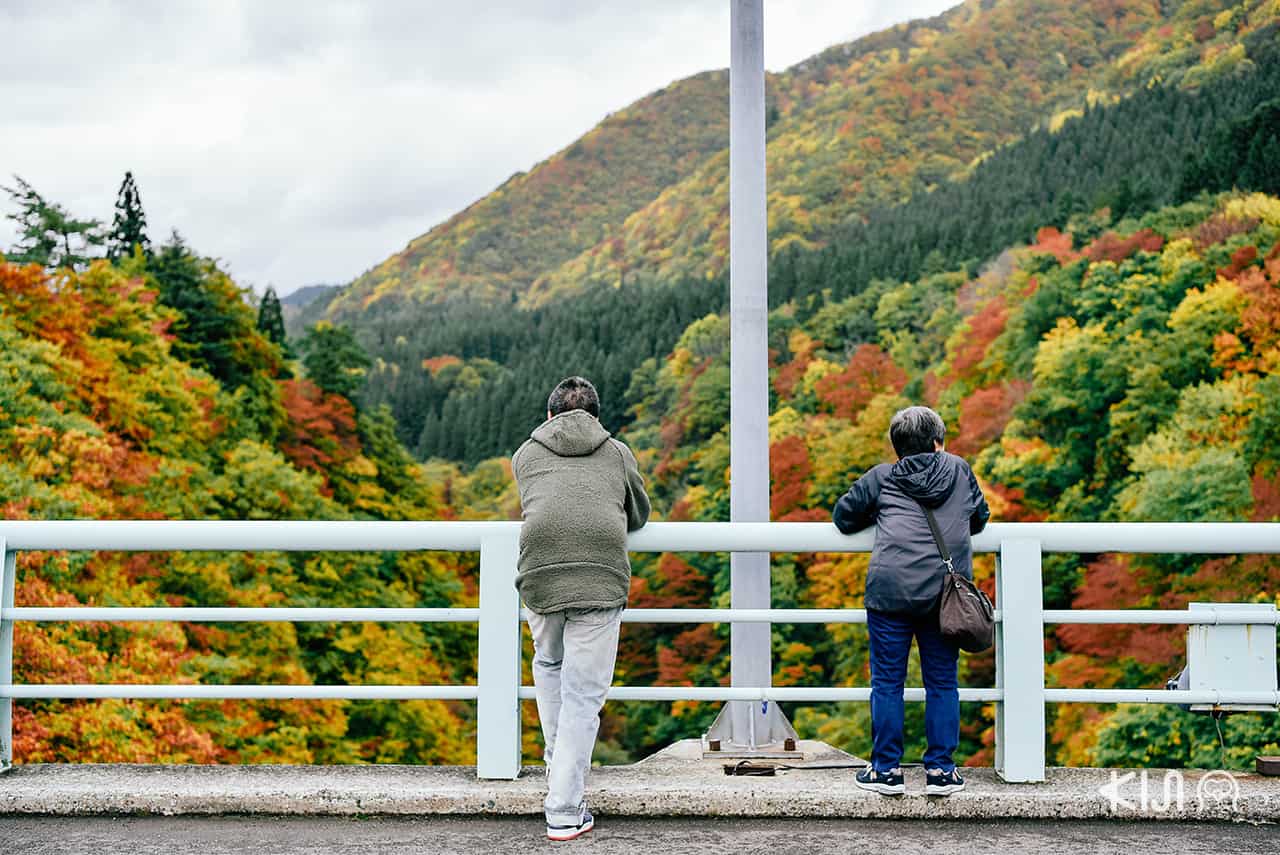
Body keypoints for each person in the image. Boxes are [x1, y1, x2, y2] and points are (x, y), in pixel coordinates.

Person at [512, 376, 651, 841]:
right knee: (584, 695)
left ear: (549, 416)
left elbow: (539, 505)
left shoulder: (526, 454)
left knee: (550, 666)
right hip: (600, 575)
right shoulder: (616, 452)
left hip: (540, 575)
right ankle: (565, 808)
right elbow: (638, 514)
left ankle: (559, 768)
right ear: (596, 418)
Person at [831, 405, 989, 797]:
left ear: (897, 446)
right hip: (942, 596)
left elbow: (844, 518)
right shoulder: (958, 469)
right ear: (938, 442)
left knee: (887, 684)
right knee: (942, 684)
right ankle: (940, 771)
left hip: (890, 593)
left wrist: (884, 515)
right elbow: (980, 519)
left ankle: (885, 770)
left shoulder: (883, 477)